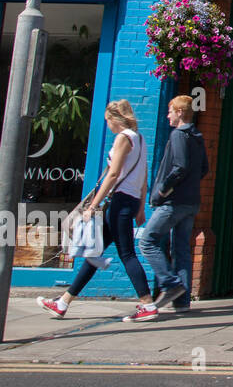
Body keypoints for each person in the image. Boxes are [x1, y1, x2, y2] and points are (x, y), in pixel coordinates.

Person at [37, 100, 156, 321]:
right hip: (128, 202)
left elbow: (113, 174)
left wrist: (93, 206)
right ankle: (62, 303)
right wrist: (140, 208)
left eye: (108, 121)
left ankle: (147, 304)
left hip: (119, 202)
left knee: (127, 254)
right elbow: (143, 178)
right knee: (94, 254)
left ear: (114, 119)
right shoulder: (139, 139)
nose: (108, 125)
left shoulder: (124, 138)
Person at [139, 95, 208, 314]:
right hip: (191, 202)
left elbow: (179, 167)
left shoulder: (178, 135)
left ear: (179, 112)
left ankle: (170, 284)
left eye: (170, 111)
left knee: (147, 241)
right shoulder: (197, 136)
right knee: (181, 250)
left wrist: (162, 190)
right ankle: (182, 301)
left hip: (174, 201)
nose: (168, 115)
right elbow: (203, 169)